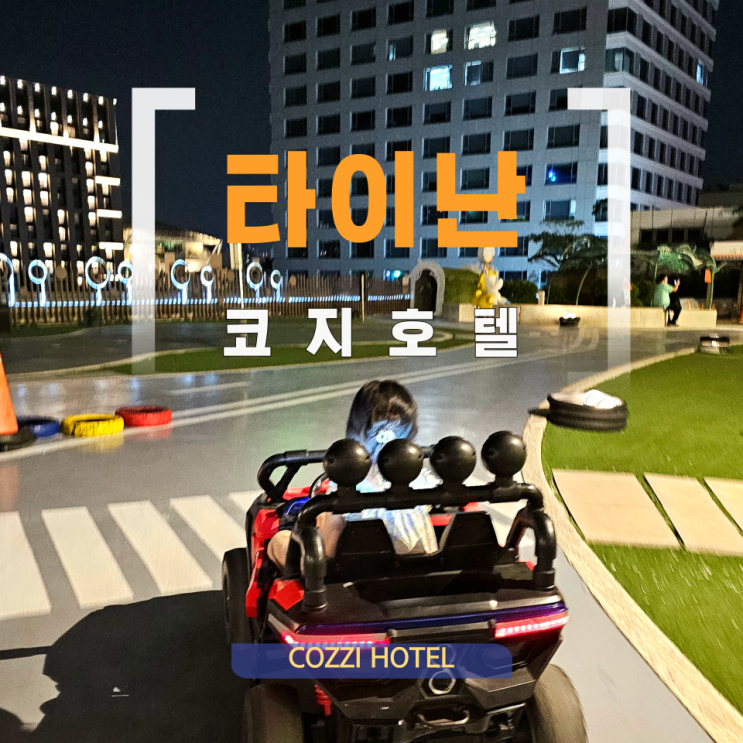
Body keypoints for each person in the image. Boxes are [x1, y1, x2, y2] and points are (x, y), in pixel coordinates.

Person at [267, 380, 438, 570]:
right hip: (419, 571)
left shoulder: (349, 487)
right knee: (323, 516)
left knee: (279, 540)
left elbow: (325, 557)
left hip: (354, 577)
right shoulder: (421, 485)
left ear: (357, 433)